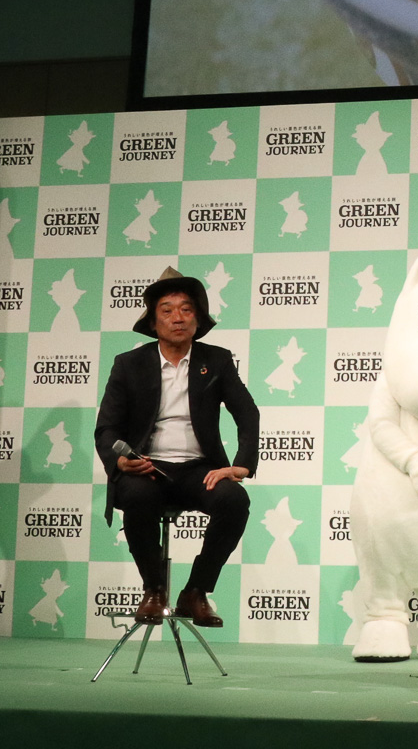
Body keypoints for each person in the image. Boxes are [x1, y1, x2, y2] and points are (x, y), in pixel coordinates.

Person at [95, 268, 258, 629]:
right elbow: (106, 428)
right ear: (153, 323)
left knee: (234, 501)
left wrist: (241, 465)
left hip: (199, 468)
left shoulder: (216, 360)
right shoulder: (129, 364)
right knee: (136, 494)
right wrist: (121, 460)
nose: (177, 318)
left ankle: (196, 591)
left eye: (186, 309)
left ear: (198, 320)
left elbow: (247, 413)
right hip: (147, 468)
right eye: (167, 310)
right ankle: (153, 590)